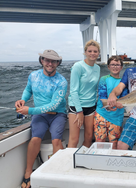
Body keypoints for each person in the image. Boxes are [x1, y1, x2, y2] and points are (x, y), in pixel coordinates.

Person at [15, 50, 68, 188]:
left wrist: (30, 110)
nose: (50, 63)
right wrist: (23, 99)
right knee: (35, 139)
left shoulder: (61, 81)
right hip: (40, 115)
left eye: (53, 61)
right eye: (47, 60)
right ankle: (28, 173)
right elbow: (28, 90)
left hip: (57, 114)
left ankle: (57, 173)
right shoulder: (33, 75)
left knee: (56, 140)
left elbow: (54, 105)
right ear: (42, 61)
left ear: (58, 63)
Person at [67, 39, 100, 148]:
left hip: (90, 106)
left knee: (89, 137)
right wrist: (79, 111)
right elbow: (73, 90)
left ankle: (82, 161)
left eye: (95, 51)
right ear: (85, 52)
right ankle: (69, 163)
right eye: (90, 51)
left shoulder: (97, 68)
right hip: (76, 107)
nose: (92, 54)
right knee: (74, 139)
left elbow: (94, 89)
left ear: (98, 53)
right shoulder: (78, 66)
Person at [94, 55, 128, 149]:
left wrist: (121, 105)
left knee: (114, 144)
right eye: (112, 64)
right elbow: (102, 95)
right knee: (99, 142)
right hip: (101, 114)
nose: (115, 67)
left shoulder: (124, 82)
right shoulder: (104, 79)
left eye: (117, 65)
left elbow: (124, 97)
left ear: (121, 67)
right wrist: (107, 106)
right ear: (108, 66)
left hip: (117, 117)